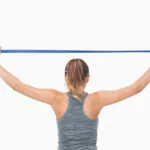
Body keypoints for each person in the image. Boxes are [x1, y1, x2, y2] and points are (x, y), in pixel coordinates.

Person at [0, 47, 149, 150]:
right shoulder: (96, 100)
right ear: (88, 77)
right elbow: (136, 88)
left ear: (65, 77)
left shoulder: (55, 98)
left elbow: (16, 85)